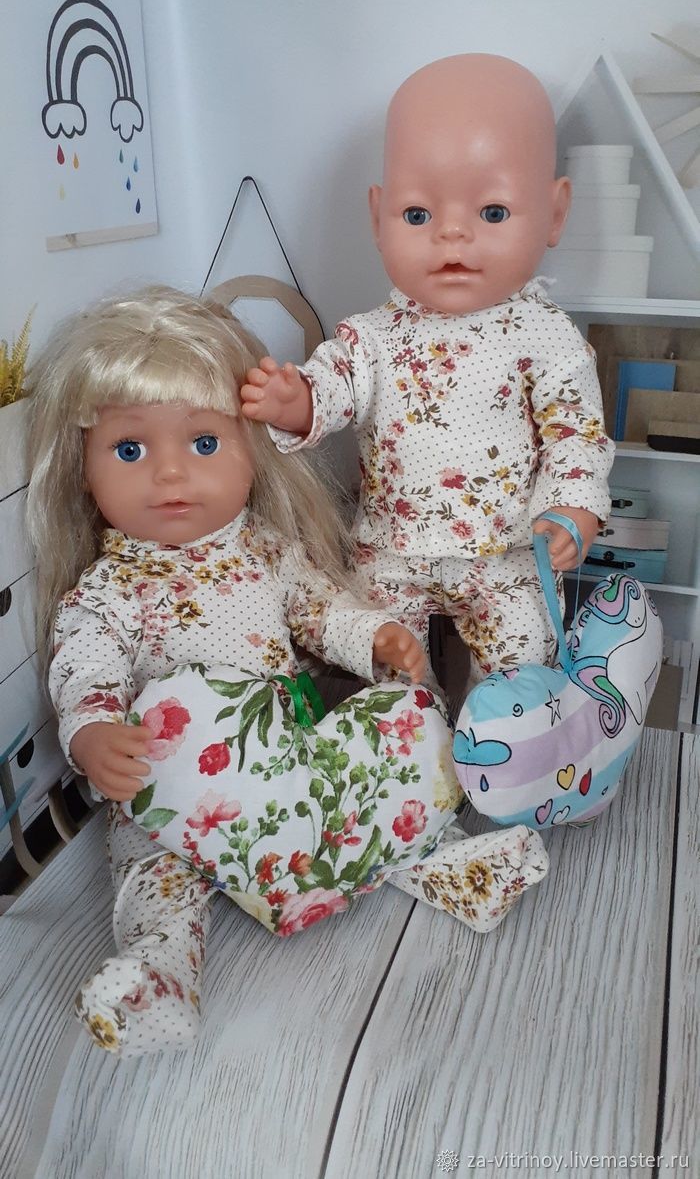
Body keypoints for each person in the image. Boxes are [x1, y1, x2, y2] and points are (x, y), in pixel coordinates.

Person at [26, 287, 547, 1058]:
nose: (170, 474)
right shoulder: (109, 593)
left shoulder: (265, 551)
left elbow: (318, 609)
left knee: (375, 782)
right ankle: (161, 972)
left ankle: (449, 866)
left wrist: (375, 639)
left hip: (293, 762)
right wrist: (93, 733)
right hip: (172, 798)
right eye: (130, 450)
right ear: (83, 469)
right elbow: (85, 669)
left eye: (204, 443)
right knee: (156, 879)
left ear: (250, 449)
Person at [241, 53, 615, 688]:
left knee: (524, 657)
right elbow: (337, 383)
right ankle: (409, 735)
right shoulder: (374, 335)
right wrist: (296, 400)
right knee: (389, 660)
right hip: (391, 547)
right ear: (379, 217)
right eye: (418, 215)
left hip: (506, 552)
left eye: (492, 212)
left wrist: (574, 506)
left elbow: (575, 434)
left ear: (554, 213)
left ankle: (503, 741)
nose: (452, 236)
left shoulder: (546, 336)